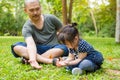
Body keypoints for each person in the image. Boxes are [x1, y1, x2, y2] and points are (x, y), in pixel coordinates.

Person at [11, 0, 69, 69]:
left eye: (37, 9)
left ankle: (30, 59)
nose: (35, 13)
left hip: (54, 48)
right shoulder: (26, 27)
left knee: (63, 48)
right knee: (16, 47)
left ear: (40, 8)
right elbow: (30, 44)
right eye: (31, 10)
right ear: (25, 10)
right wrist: (32, 59)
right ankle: (50, 61)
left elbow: (66, 33)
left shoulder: (51, 18)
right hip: (36, 49)